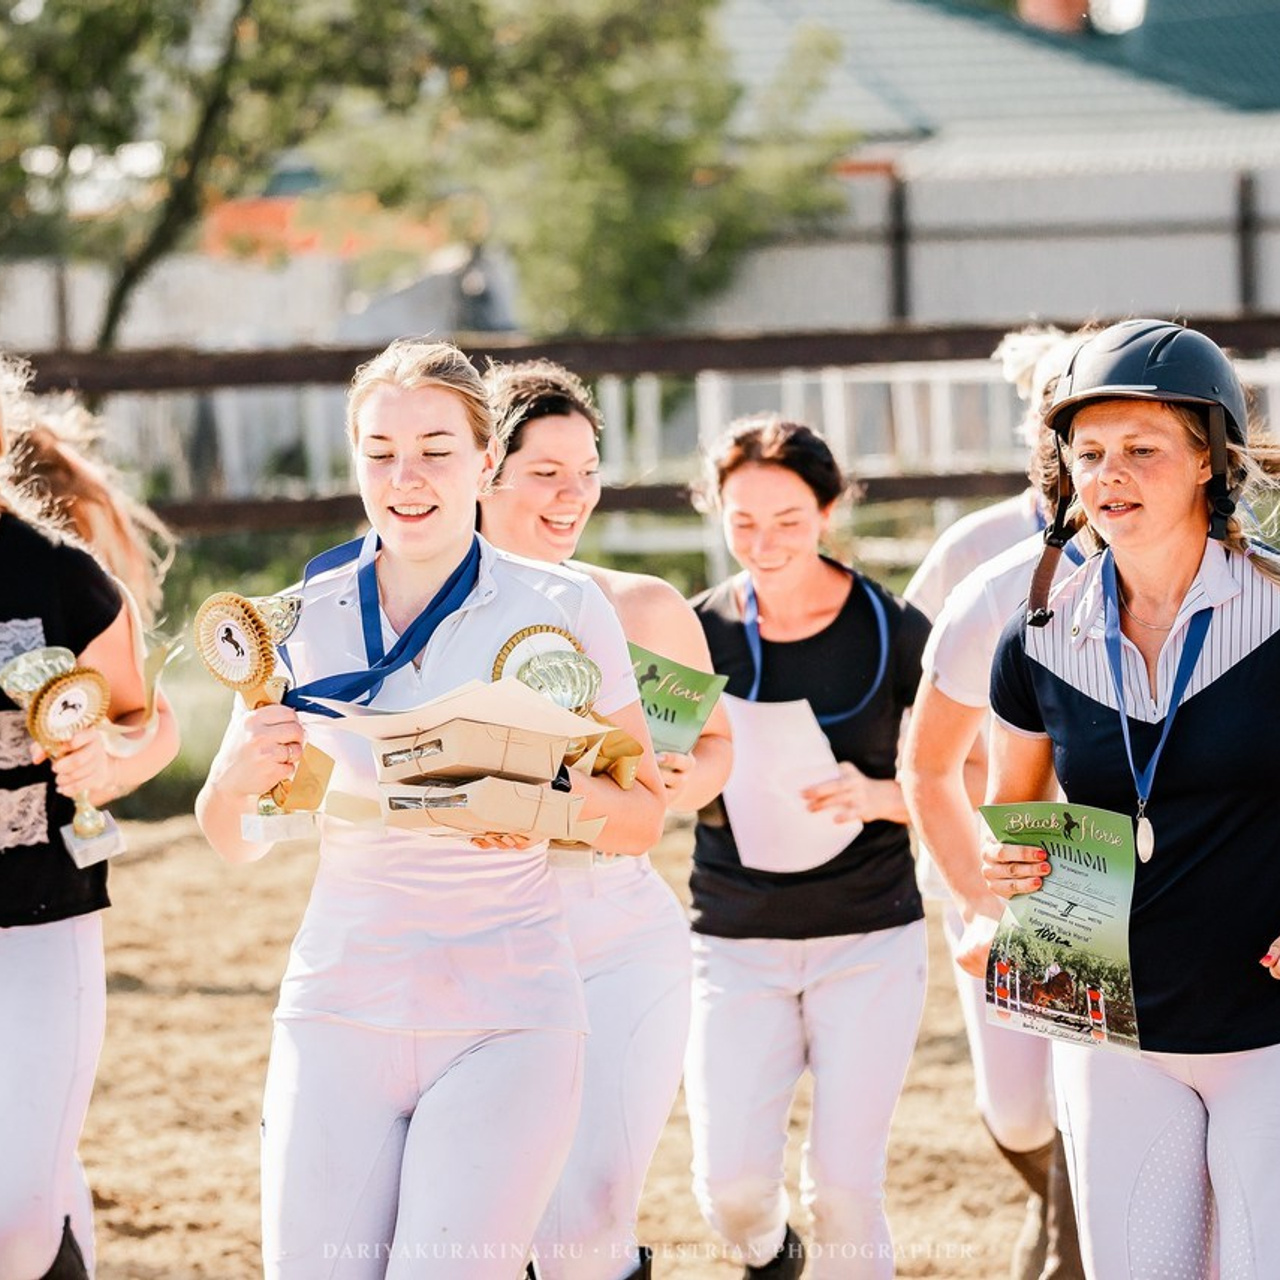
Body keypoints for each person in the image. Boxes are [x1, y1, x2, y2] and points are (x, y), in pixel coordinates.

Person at [195, 339, 666, 1280]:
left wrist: (544, 804)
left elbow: (644, 815)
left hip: (509, 1016)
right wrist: (235, 780)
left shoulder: (566, 606)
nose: (406, 478)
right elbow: (232, 838)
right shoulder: (298, 615)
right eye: (379, 452)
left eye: (436, 450)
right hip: (338, 1009)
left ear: (485, 462)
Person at [979, 319, 1280, 1277]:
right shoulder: (1035, 638)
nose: (1111, 473)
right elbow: (1013, 812)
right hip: (1107, 1027)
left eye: (1143, 450)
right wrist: (1006, 864)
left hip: (1266, 1024)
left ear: (1209, 460)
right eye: (1090, 452)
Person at [478, 359, 733, 1280]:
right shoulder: (420, 613)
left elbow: (715, 750)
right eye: (546, 472)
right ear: (483, 470)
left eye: (587, 471)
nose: (572, 494)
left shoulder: (644, 606)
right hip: (470, 933)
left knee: (586, 1227)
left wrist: (677, 779)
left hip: (619, 934)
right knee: (494, 1221)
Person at [686, 415, 931, 1279]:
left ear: (829, 510)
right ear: (714, 511)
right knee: (731, 1190)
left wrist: (880, 796)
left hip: (870, 935)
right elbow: (651, 771)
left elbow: (970, 782)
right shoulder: (692, 633)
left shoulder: (897, 632)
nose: (765, 542)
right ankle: (770, 1258)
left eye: (789, 519)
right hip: (734, 938)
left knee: (844, 1188)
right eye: (742, 521)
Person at [900, 330, 1085, 1280]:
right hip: (1002, 854)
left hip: (1103, 869)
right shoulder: (977, 557)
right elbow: (928, 723)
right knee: (1017, 1106)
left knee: (1099, 1083)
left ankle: (1068, 1234)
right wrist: (976, 882)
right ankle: (1058, 1201)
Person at [0, 357, 180, 1280]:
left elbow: (146, 719)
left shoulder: (61, 574)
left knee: (17, 1227)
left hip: (38, 915)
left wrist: (113, 760)